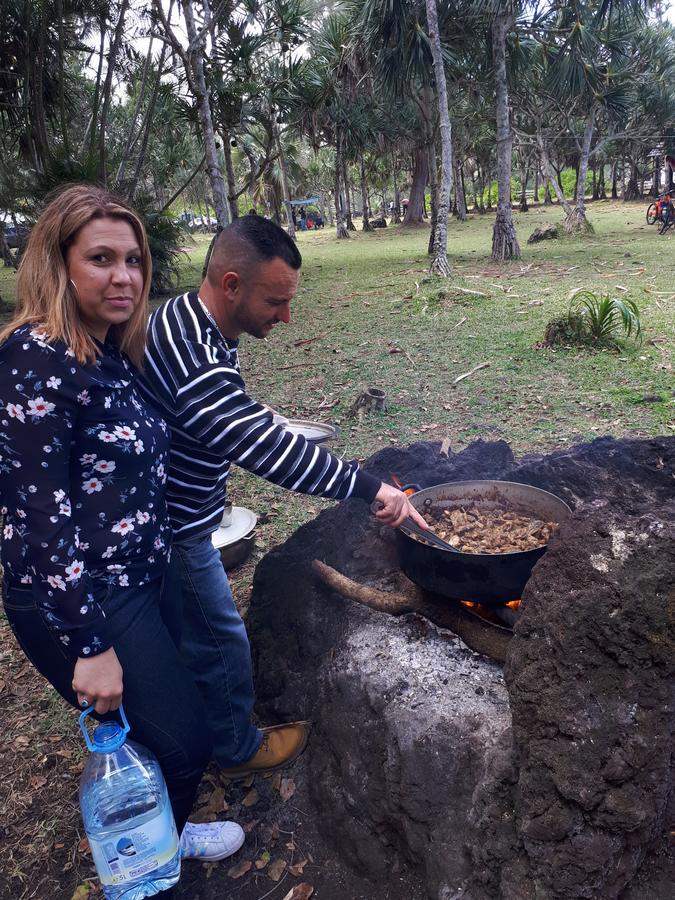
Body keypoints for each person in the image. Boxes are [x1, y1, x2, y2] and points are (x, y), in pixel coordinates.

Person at [0, 185, 245, 877]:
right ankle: (141, 873)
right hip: (86, 597)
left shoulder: (109, 352)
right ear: (59, 264)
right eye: (101, 258)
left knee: (151, 732)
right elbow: (38, 511)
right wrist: (89, 644)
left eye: (133, 259)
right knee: (183, 743)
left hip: (138, 577)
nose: (124, 276)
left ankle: (159, 839)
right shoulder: (36, 357)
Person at [140, 215, 427, 778]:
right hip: (176, 527)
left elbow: (220, 414)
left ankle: (199, 722)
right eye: (276, 301)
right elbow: (270, 452)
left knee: (192, 634)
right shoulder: (198, 356)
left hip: (167, 513)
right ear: (230, 285)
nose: (287, 316)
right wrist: (371, 488)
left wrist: (250, 413)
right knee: (222, 639)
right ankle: (235, 748)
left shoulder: (182, 318)